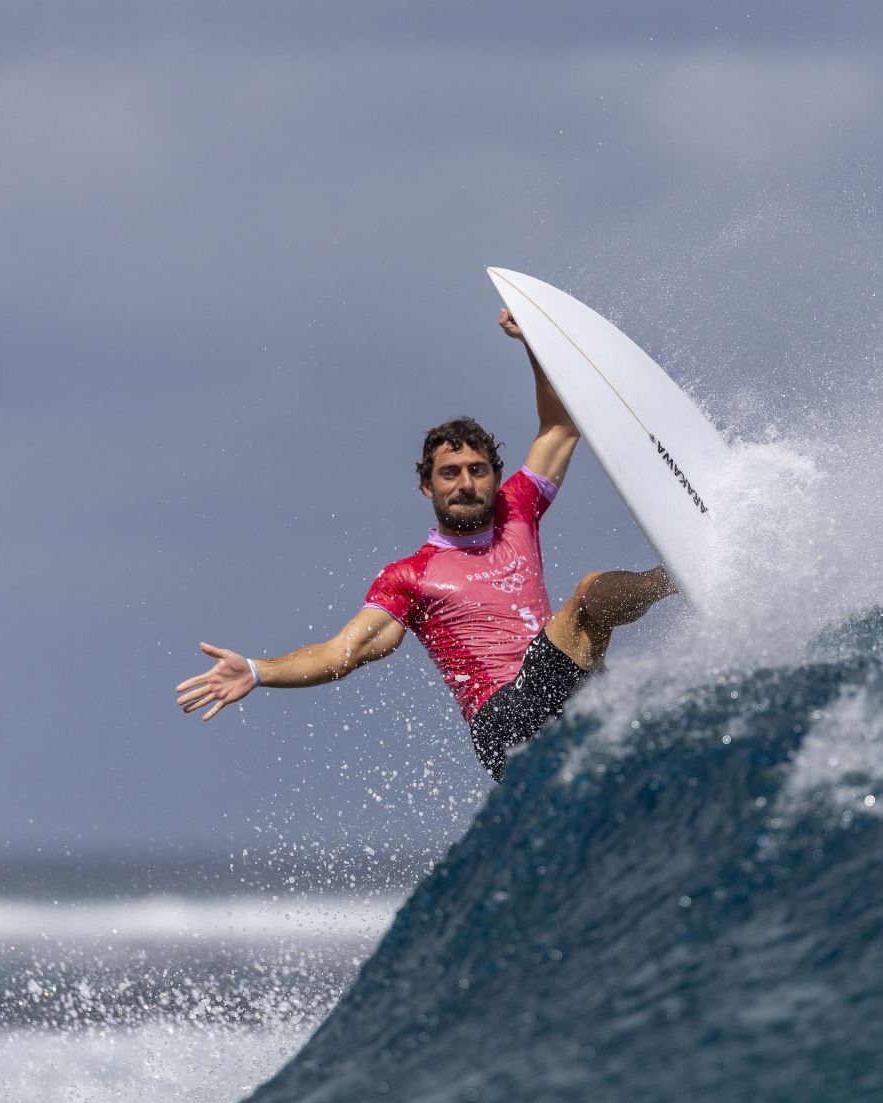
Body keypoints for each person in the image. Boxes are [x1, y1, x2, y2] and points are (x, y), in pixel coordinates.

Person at [175, 307, 676, 780]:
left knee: (595, 622)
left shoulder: (517, 508)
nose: (464, 483)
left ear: (495, 477)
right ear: (427, 486)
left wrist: (534, 344)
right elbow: (339, 653)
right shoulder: (411, 575)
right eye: (449, 473)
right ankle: (674, 577)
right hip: (503, 724)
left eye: (477, 471)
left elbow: (561, 427)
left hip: (561, 690)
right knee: (589, 595)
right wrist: (259, 672)